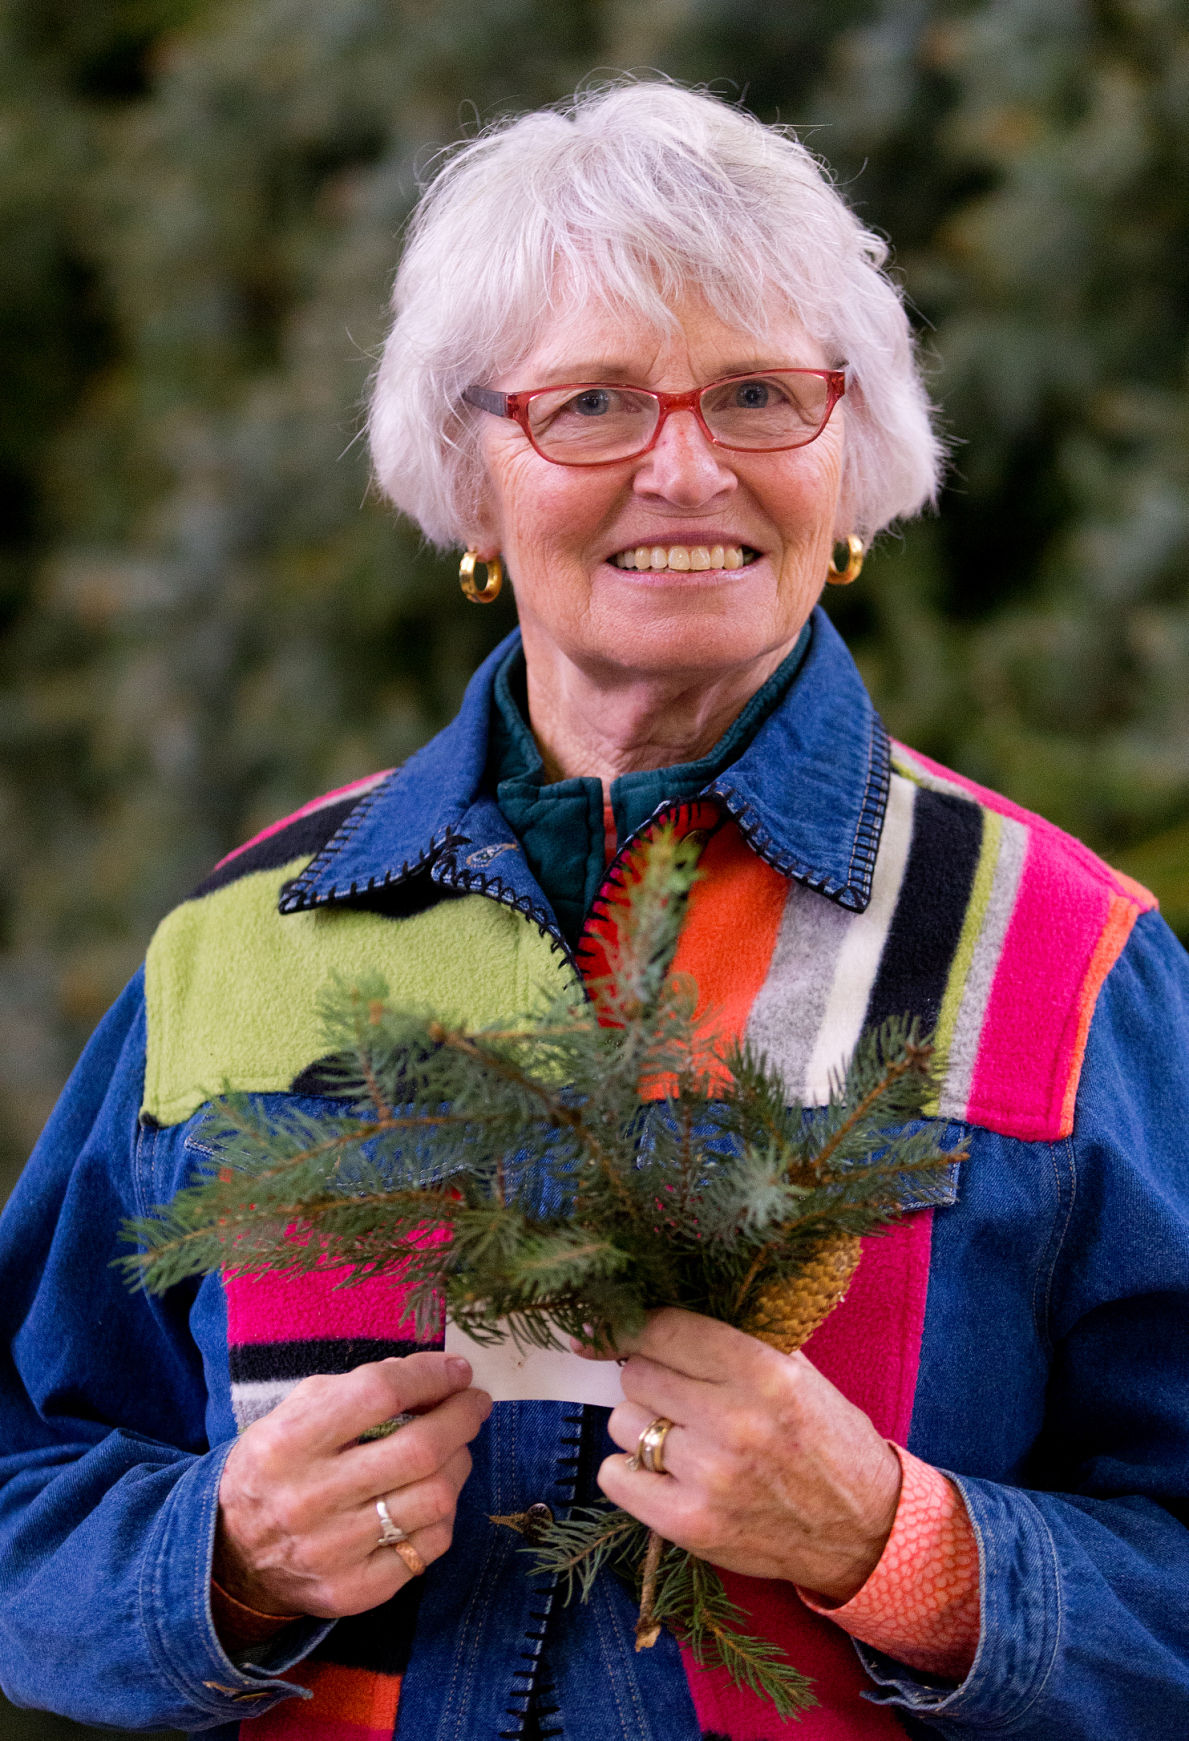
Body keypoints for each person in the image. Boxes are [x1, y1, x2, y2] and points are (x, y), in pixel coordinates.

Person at [2, 78, 1189, 1741]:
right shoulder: (244, 936)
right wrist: (221, 1560)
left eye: (761, 396)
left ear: (847, 465)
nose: (686, 468)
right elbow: (23, 1477)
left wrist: (899, 1545)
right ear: (469, 477)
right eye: (593, 405)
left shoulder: (1066, 957)